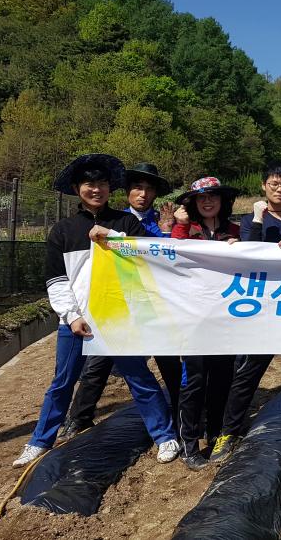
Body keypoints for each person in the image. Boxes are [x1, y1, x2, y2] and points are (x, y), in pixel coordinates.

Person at [13, 154, 179, 468]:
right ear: (77, 188)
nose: (97, 189)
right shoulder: (63, 230)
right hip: (77, 321)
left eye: (102, 183)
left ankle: (164, 435)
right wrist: (71, 316)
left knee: (139, 378)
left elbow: (144, 260)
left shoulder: (125, 223)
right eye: (90, 184)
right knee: (62, 383)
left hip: (118, 317)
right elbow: (57, 279)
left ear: (110, 188)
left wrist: (113, 238)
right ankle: (39, 441)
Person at [58, 162, 182, 441]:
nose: (143, 194)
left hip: (154, 302)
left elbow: (167, 254)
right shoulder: (114, 220)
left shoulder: (166, 222)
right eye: (137, 187)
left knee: (169, 360)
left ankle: (179, 411)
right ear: (126, 191)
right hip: (117, 305)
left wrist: (168, 231)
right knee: (98, 362)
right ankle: (79, 417)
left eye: (149, 189)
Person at [210, 162, 281, 463]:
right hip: (263, 308)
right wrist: (260, 219)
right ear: (264, 186)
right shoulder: (251, 220)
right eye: (274, 183)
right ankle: (228, 432)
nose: (279, 188)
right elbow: (249, 253)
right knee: (248, 371)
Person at [171, 176, 240, 470]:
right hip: (192, 320)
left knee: (223, 376)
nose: (208, 202)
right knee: (194, 381)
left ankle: (216, 432)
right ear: (193, 204)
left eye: (213, 196)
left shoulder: (234, 230)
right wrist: (181, 226)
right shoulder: (185, 231)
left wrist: (240, 248)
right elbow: (169, 259)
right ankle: (190, 443)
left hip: (225, 318)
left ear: (222, 201)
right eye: (202, 198)